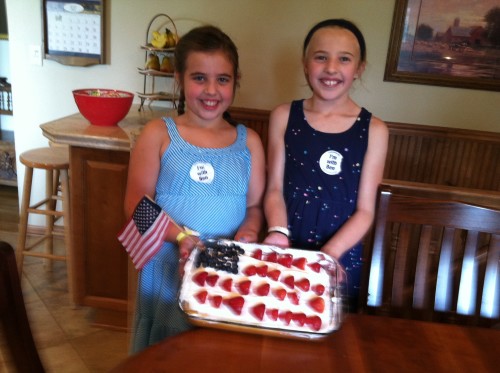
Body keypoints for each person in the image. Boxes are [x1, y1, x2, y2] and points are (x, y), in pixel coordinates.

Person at [124, 25, 266, 353]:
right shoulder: (158, 134)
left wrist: (247, 233)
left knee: (213, 350)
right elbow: (134, 203)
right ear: (179, 78)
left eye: (223, 79)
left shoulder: (250, 143)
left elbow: (256, 207)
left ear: (236, 80)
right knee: (165, 350)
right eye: (199, 78)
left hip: (225, 263)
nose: (211, 90)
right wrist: (181, 238)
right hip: (166, 265)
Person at [263, 19, 389, 312]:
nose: (331, 68)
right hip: (285, 246)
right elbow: (273, 189)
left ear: (359, 68)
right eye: (321, 57)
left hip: (339, 257)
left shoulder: (375, 130)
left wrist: (328, 255)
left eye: (344, 59)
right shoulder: (283, 116)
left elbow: (366, 211)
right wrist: (278, 232)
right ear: (306, 64)